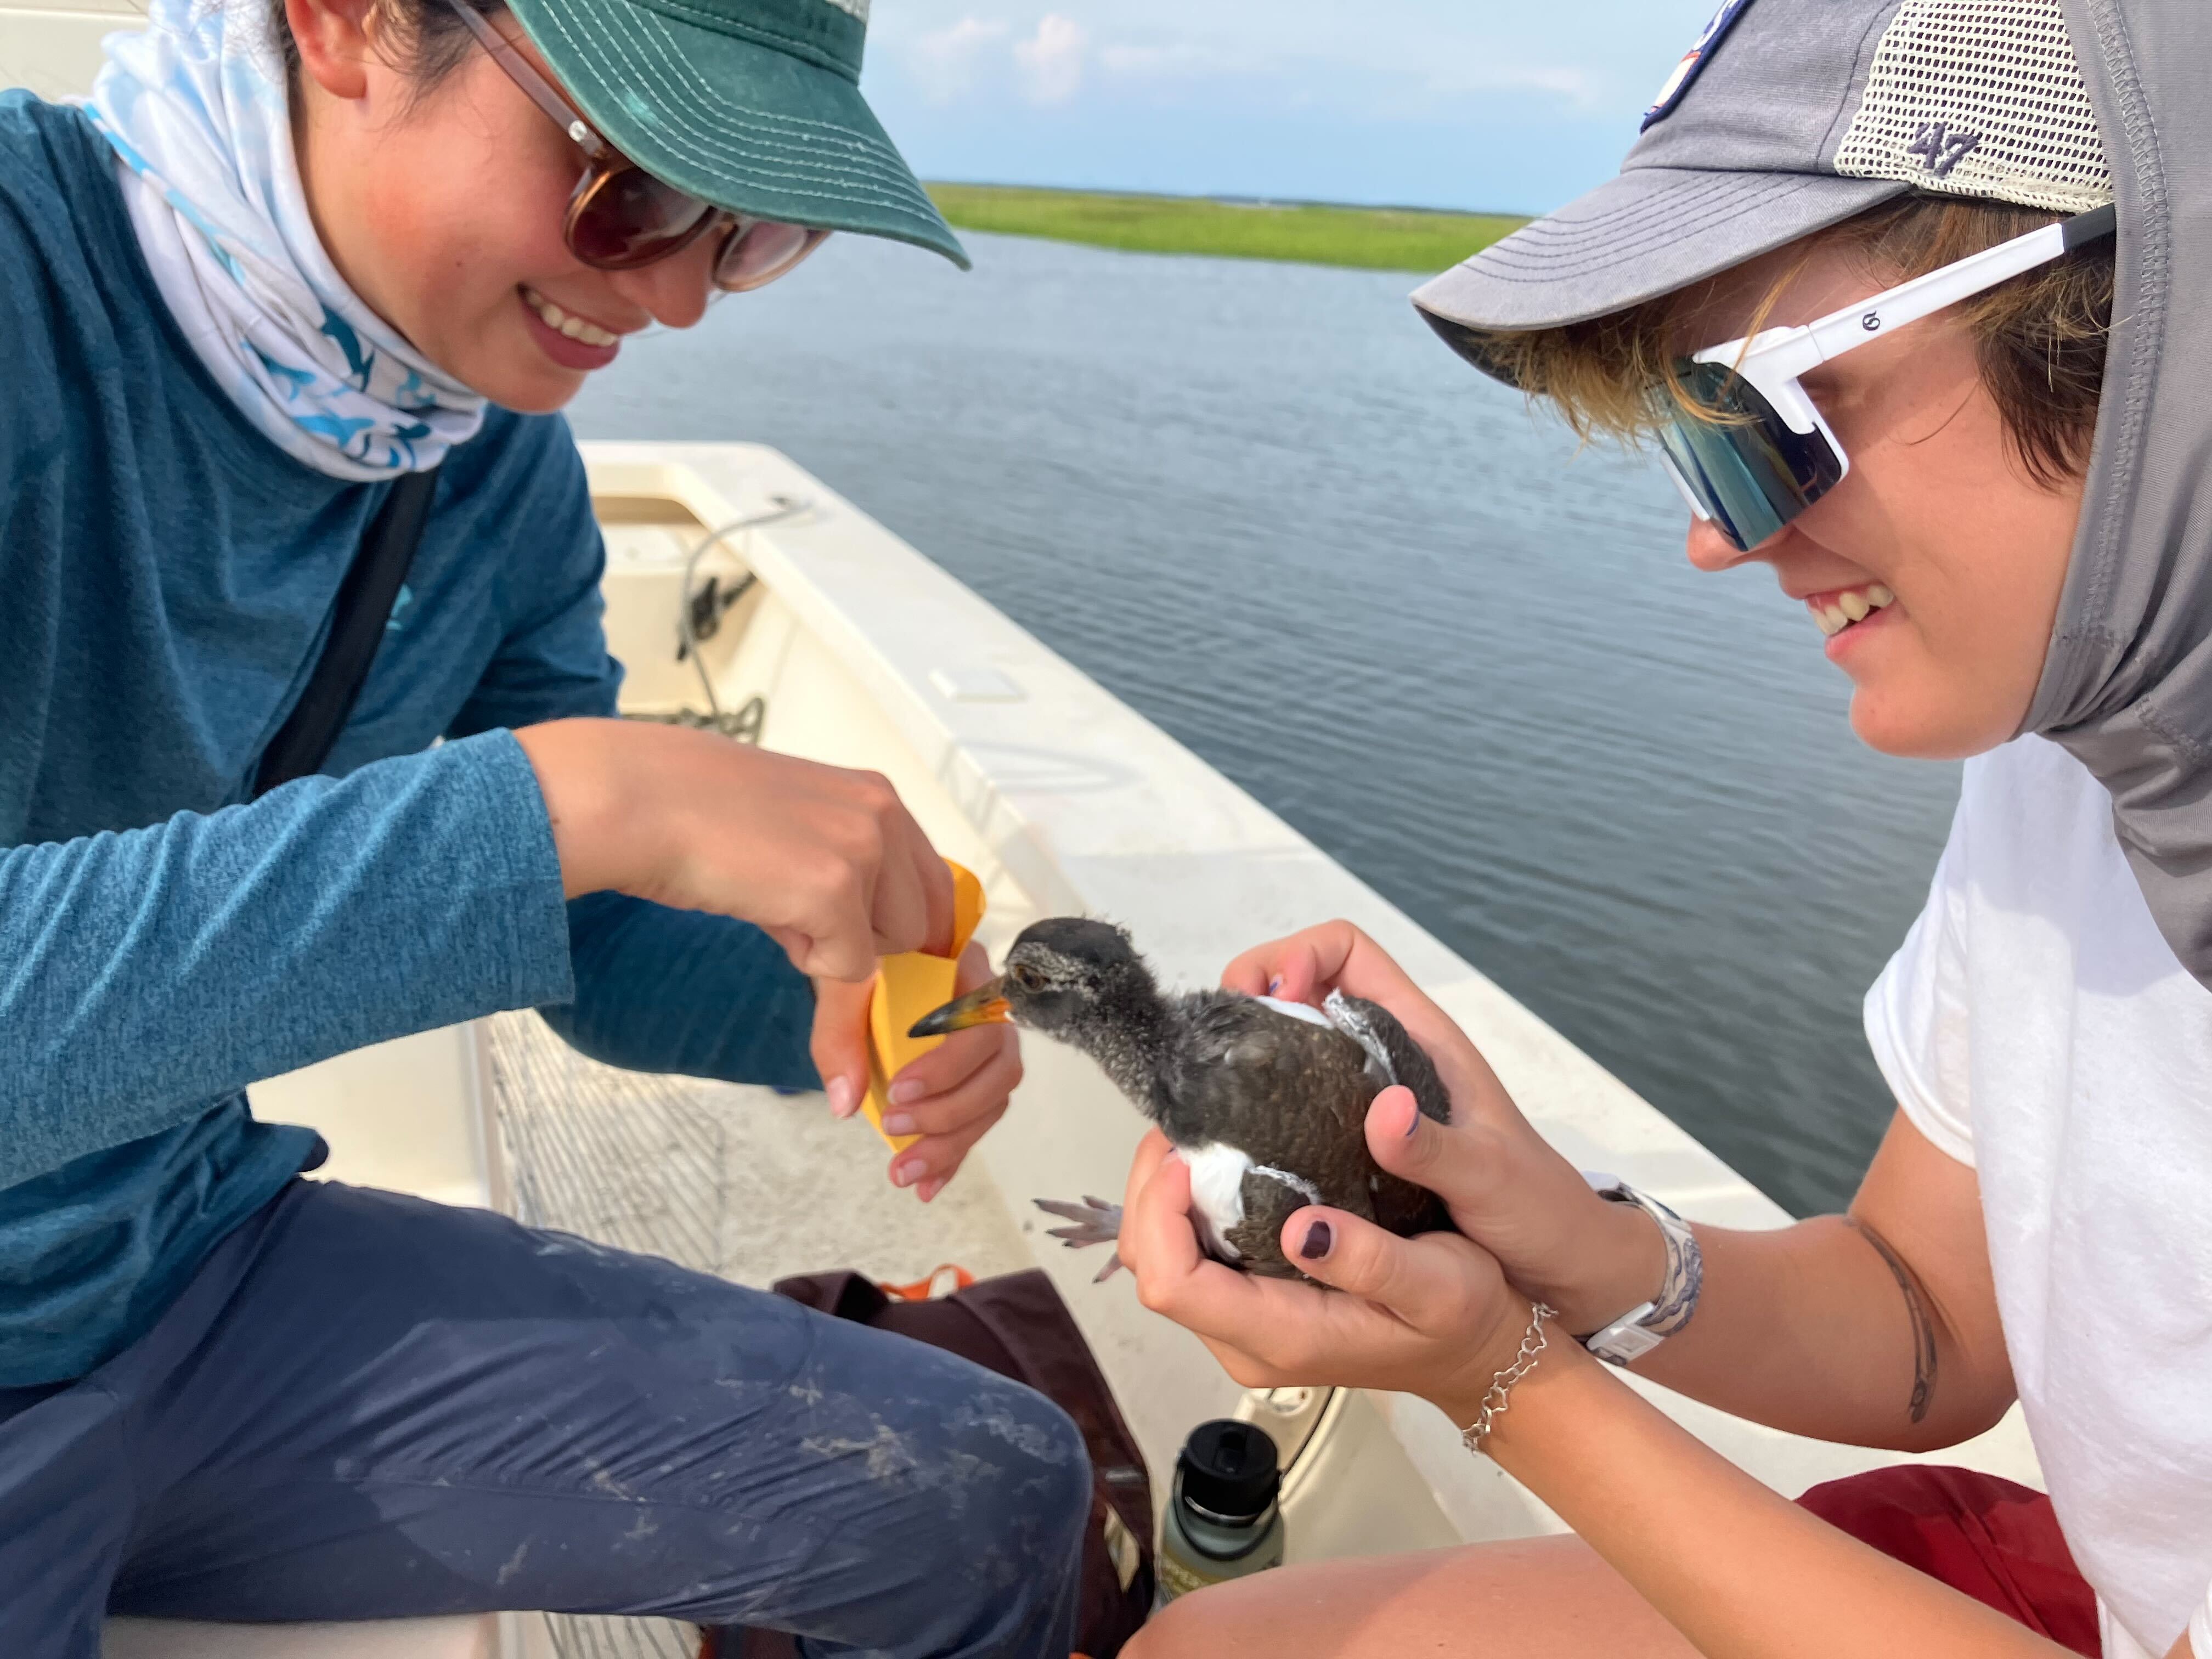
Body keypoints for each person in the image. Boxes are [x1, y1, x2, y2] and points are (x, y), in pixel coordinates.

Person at [1118, 2, 2212, 1657]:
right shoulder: (2069, 761)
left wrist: (1501, 1380)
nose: (1718, 542)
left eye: (1758, 421)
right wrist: (1552, 1228)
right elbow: (1928, 1327)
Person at [0, 0, 1089, 1650]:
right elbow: (557, 835)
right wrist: (582, 798)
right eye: (632, 186)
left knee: (994, 1497)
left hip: (186, 1275)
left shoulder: (486, 464)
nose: (673, 298)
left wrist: (854, 998)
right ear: (350, 22)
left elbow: (581, 937)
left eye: (748, 231)